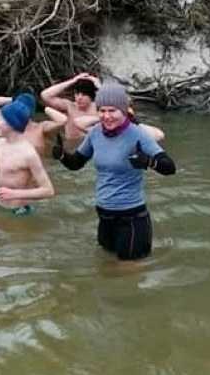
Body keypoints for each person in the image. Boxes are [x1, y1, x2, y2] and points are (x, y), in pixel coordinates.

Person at [53, 82, 177, 261]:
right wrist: (62, 156)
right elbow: (76, 163)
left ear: (124, 110)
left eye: (112, 111)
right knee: (106, 269)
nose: (107, 116)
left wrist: (149, 161)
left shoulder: (137, 134)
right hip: (104, 215)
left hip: (132, 218)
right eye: (102, 111)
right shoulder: (95, 133)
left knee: (127, 275)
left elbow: (169, 167)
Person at [0, 100, 55, 215]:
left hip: (20, 211)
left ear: (12, 123)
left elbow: (48, 190)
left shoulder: (29, 154)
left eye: (1, 119)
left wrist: (15, 194)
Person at [0, 84, 66, 157]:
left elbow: (63, 120)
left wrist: (42, 108)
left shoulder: (40, 128)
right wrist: (13, 100)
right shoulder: (7, 122)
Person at [39, 72, 101, 151]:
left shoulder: (98, 108)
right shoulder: (69, 107)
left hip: (91, 146)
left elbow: (117, 106)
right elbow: (45, 95)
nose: (79, 98)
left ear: (92, 95)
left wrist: (98, 85)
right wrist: (73, 80)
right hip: (72, 147)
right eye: (77, 94)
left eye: (84, 94)